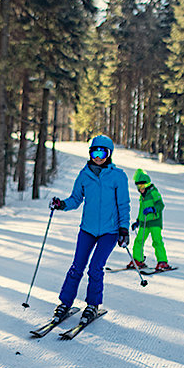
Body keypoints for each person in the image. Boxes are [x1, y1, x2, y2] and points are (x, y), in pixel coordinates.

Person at [48, 134, 131, 324]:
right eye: (95, 151)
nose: (98, 156)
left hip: (109, 232)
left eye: (103, 152)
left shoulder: (118, 176)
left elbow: (123, 205)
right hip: (87, 229)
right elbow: (75, 200)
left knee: (95, 268)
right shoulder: (84, 175)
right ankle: (65, 303)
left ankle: (92, 305)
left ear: (109, 154)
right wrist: (61, 204)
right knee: (77, 266)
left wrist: (124, 229)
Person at [128, 168, 171, 271]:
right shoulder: (142, 196)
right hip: (144, 222)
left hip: (154, 222)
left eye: (142, 185)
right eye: (138, 186)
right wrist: (138, 221)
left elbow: (161, 204)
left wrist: (153, 209)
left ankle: (162, 262)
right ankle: (138, 260)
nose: (140, 188)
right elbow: (141, 210)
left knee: (157, 241)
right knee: (139, 240)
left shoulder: (153, 192)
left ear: (147, 184)